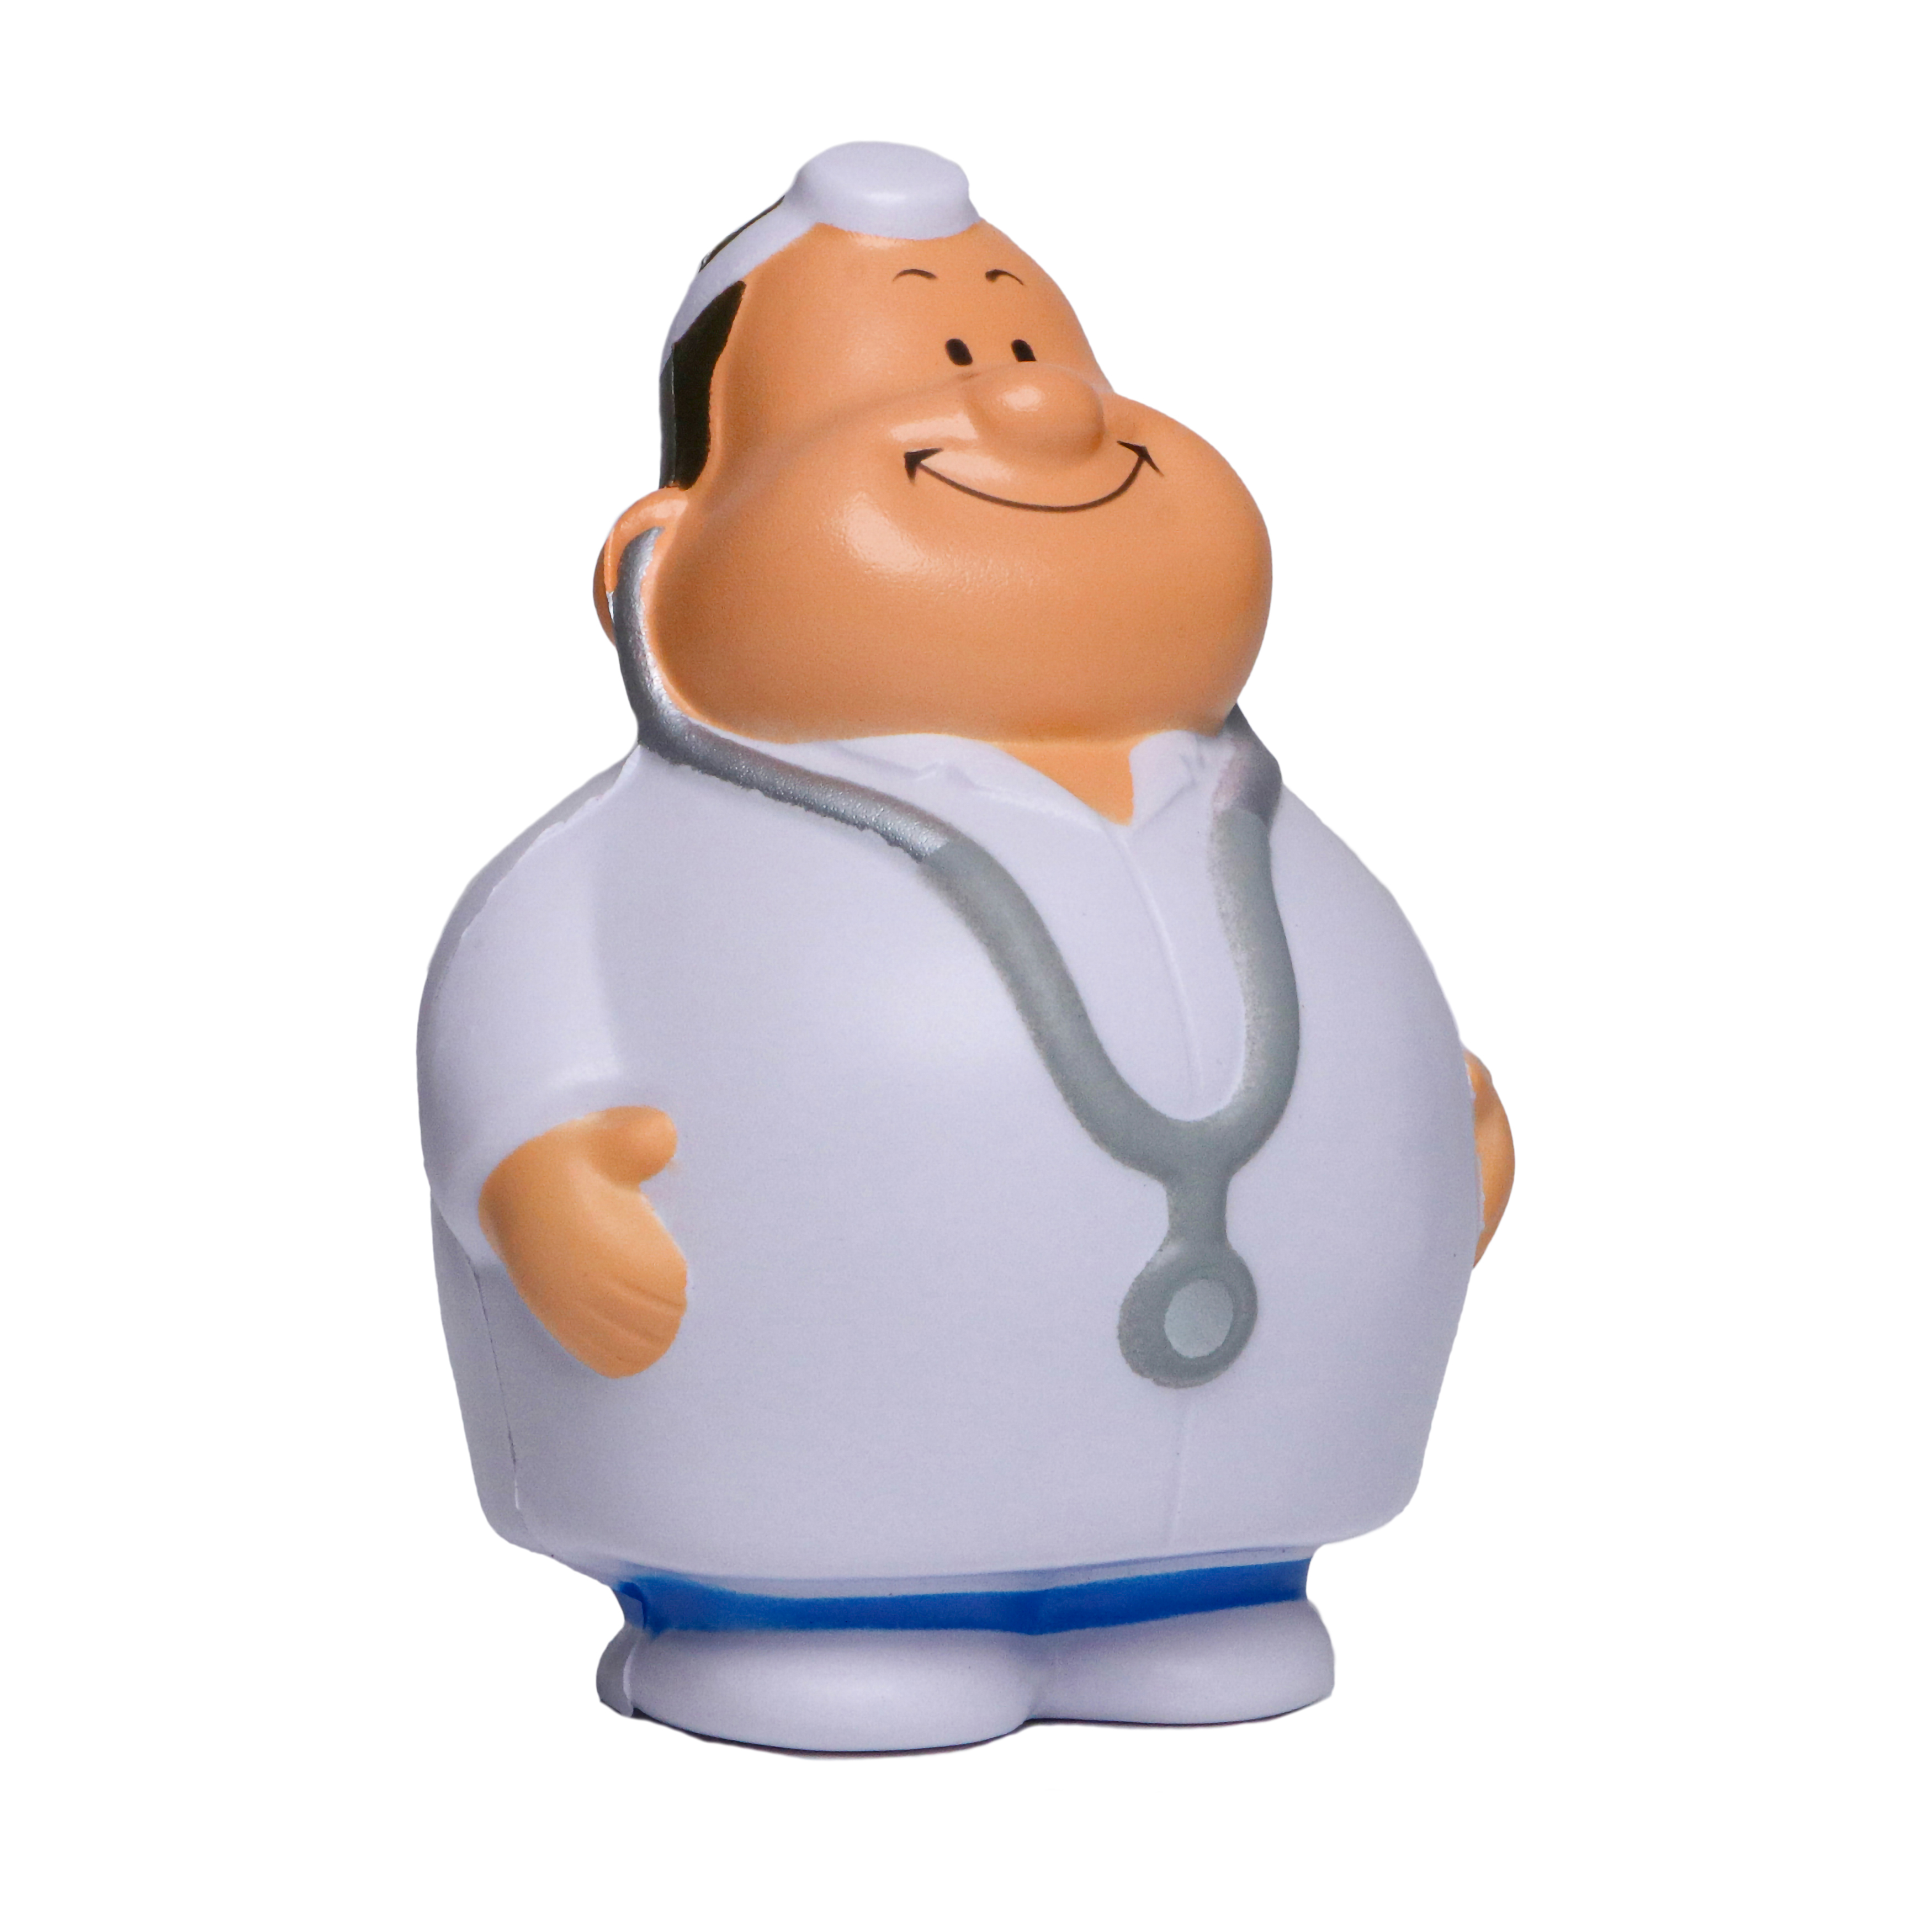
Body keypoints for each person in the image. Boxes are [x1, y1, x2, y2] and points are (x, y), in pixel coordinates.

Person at [420, 142, 1514, 1752]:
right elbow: (511, 1007)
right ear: (657, 563)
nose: (1033, 404)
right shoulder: (619, 860)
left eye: (1019, 342)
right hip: (791, 1490)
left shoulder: (1244, 808)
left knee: (1213, 1609)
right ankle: (796, 1623)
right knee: (830, 1574)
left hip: (1246, 1520)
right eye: (938, 362)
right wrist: (529, 1175)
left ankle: (1196, 1600)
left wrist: (1435, 1114)